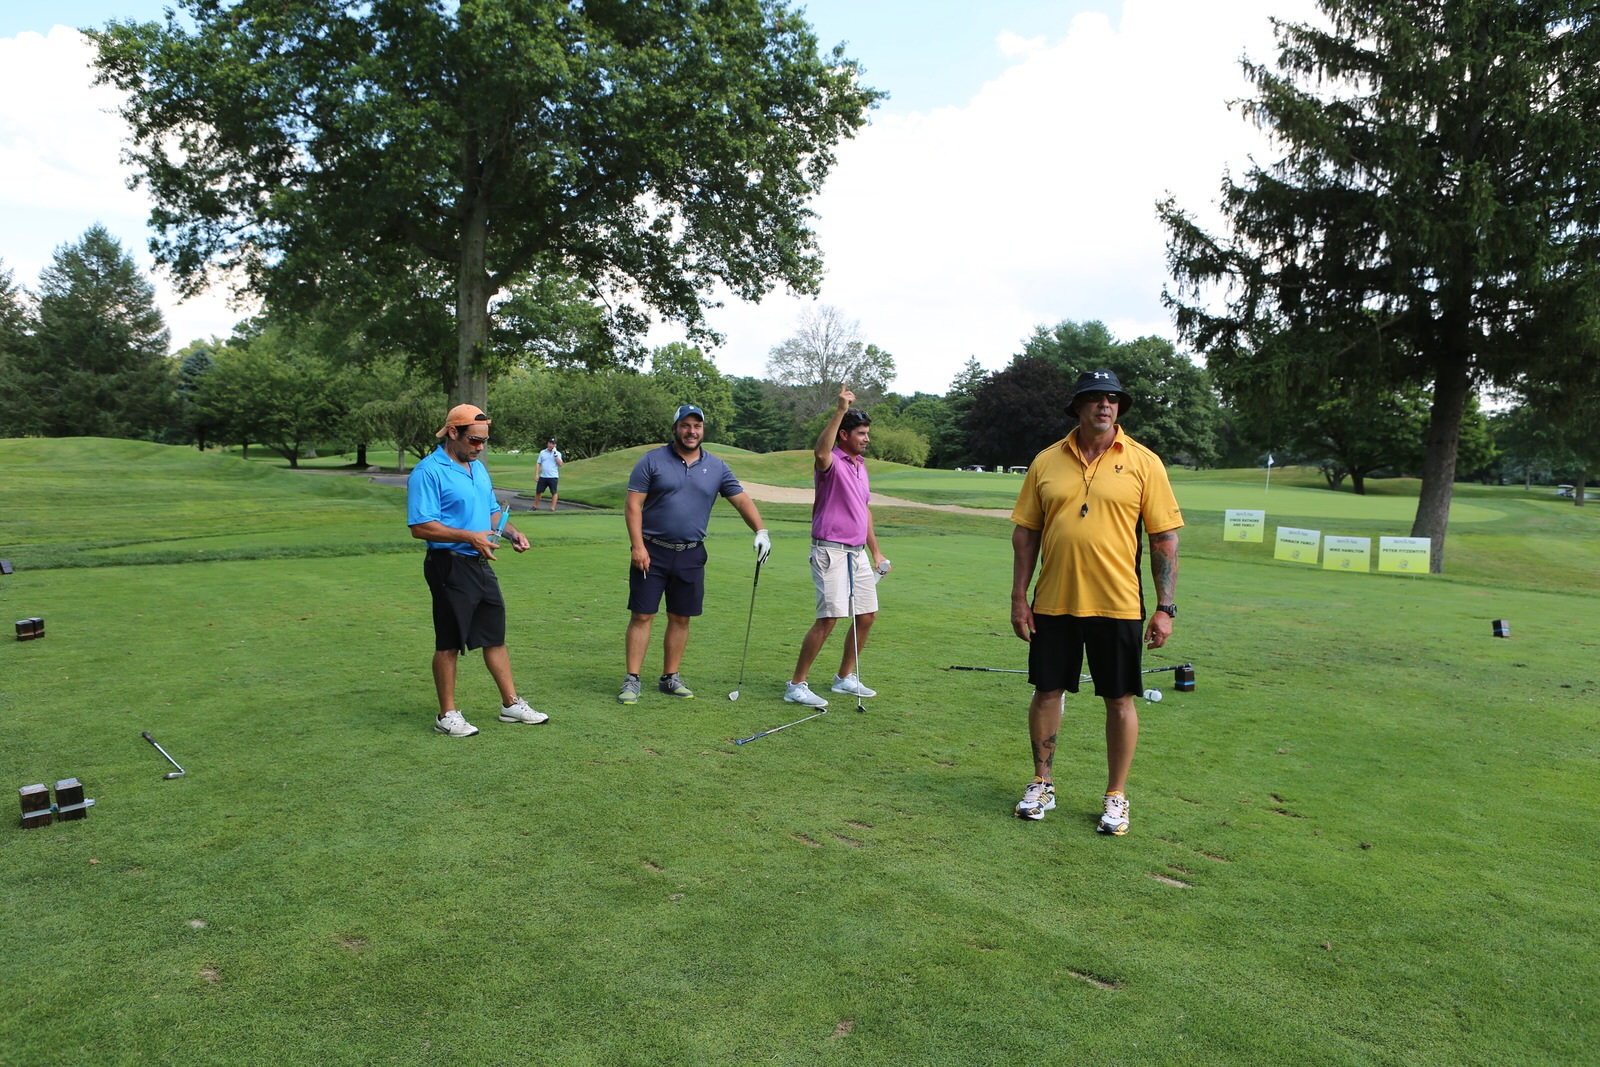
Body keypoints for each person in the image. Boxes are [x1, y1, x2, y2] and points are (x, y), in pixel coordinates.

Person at [1009, 369, 1182, 834]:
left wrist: (1165, 607)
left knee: (1119, 699)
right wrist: (1019, 597)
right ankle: (1042, 783)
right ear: (1078, 407)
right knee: (1047, 691)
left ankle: (1116, 796)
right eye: (1094, 398)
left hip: (1118, 604)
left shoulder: (1145, 462)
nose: (1105, 405)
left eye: (1112, 398)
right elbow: (1026, 534)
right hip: (1053, 602)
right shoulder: (1046, 461)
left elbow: (1164, 539)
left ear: (1119, 407)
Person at [407, 403, 549, 736]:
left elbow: (491, 512)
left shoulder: (478, 469)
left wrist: (512, 533)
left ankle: (510, 704)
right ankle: (446, 714)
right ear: (452, 433)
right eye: (474, 440)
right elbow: (421, 526)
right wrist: (469, 536)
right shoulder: (428, 471)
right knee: (449, 641)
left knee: (494, 635)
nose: (480, 447)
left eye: (484, 441)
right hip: (448, 564)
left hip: (480, 564)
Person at [618, 404, 771, 705]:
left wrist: (761, 530)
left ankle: (670, 678)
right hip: (652, 551)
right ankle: (632, 679)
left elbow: (741, 500)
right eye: (686, 425)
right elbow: (633, 504)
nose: (691, 431)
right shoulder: (652, 461)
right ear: (675, 428)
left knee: (681, 617)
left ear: (703, 430)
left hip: (691, 553)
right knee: (642, 615)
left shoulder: (717, 467)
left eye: (697, 426)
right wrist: (638, 546)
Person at [783, 384, 889, 709]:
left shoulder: (860, 465)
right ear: (844, 435)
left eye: (867, 433)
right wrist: (841, 409)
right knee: (829, 618)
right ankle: (796, 685)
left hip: (858, 553)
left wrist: (876, 551)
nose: (867, 438)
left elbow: (863, 510)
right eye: (861, 433)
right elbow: (820, 453)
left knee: (867, 615)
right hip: (830, 550)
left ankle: (844, 678)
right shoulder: (831, 463)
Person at [534, 437, 564, 511]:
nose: (551, 445)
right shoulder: (542, 452)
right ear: (548, 443)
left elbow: (560, 464)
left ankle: (552, 508)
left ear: (555, 445)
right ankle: (535, 506)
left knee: (554, 492)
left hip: (553, 476)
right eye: (550, 443)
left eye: (553, 444)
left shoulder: (558, 453)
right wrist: (536, 474)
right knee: (538, 491)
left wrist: (555, 455)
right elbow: (538, 463)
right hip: (543, 476)